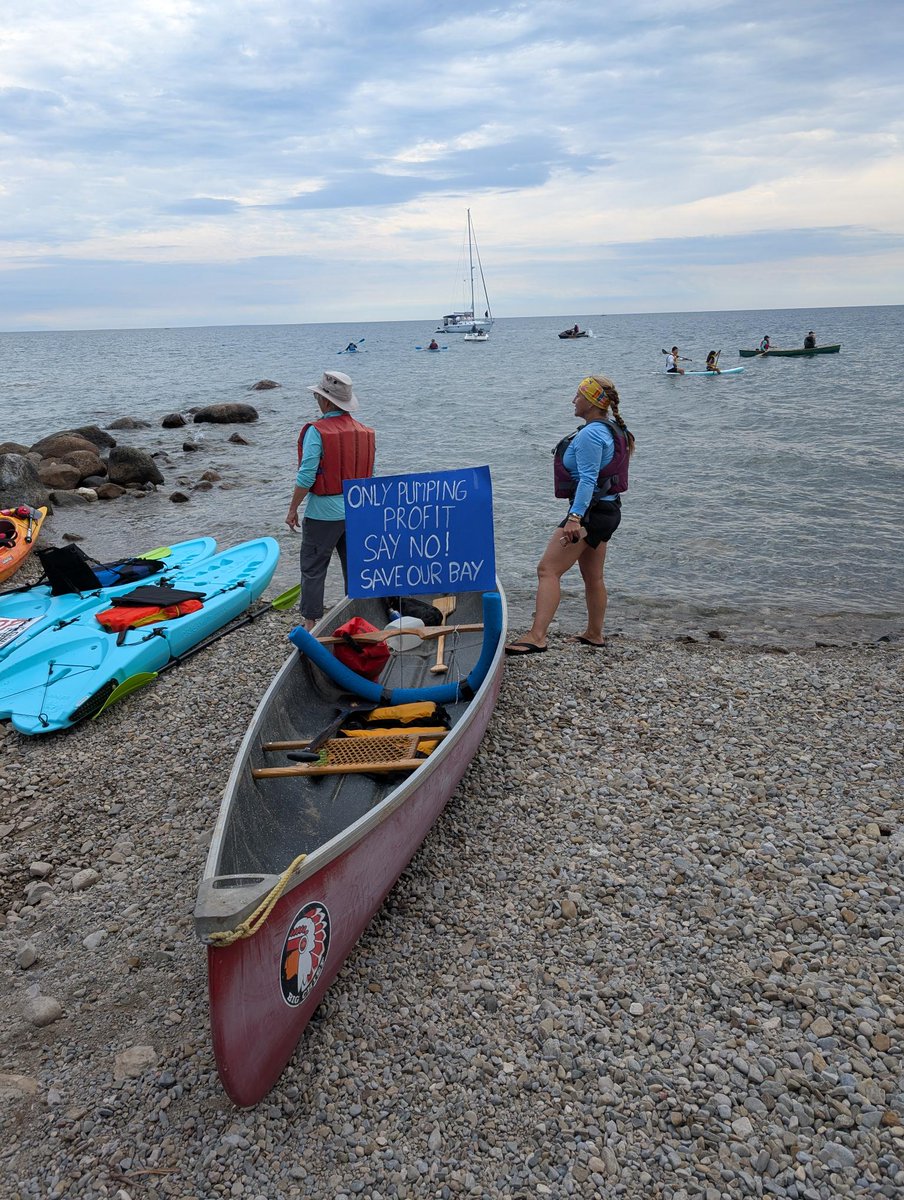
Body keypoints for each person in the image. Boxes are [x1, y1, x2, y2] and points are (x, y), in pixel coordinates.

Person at [505, 375, 635, 654]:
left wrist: (575, 518)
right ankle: (594, 634)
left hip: (589, 513)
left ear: (590, 402)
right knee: (593, 576)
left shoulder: (591, 434)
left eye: (577, 396)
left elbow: (588, 479)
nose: (572, 400)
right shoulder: (611, 430)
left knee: (548, 569)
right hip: (608, 510)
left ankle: (537, 636)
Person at [285, 370, 375, 630]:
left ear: (325, 401)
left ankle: (311, 622)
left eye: (318, 396)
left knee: (313, 568)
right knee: (355, 568)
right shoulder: (365, 432)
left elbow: (307, 473)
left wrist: (293, 508)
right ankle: (357, 619)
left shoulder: (318, 431)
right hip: (357, 512)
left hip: (323, 514)